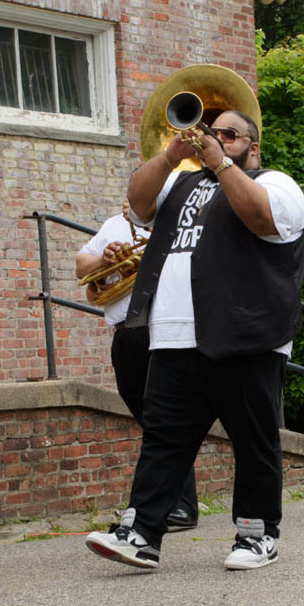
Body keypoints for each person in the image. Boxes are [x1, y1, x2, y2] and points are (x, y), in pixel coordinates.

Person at [85, 108, 304, 572]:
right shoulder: (181, 184)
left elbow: (264, 220)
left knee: (253, 441)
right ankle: (142, 533)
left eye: (230, 133)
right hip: (171, 335)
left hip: (246, 334)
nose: (217, 137)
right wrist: (172, 155)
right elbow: (139, 201)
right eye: (213, 131)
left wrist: (220, 163)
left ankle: (256, 532)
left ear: (254, 144)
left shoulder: (277, 182)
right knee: (163, 439)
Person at [75, 203, 200, 532]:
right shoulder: (115, 224)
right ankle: (174, 503)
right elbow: (81, 264)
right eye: (132, 195)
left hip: (161, 331)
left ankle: (178, 507)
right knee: (150, 421)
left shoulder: (176, 223)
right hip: (126, 334)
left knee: (162, 422)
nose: (132, 202)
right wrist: (105, 259)